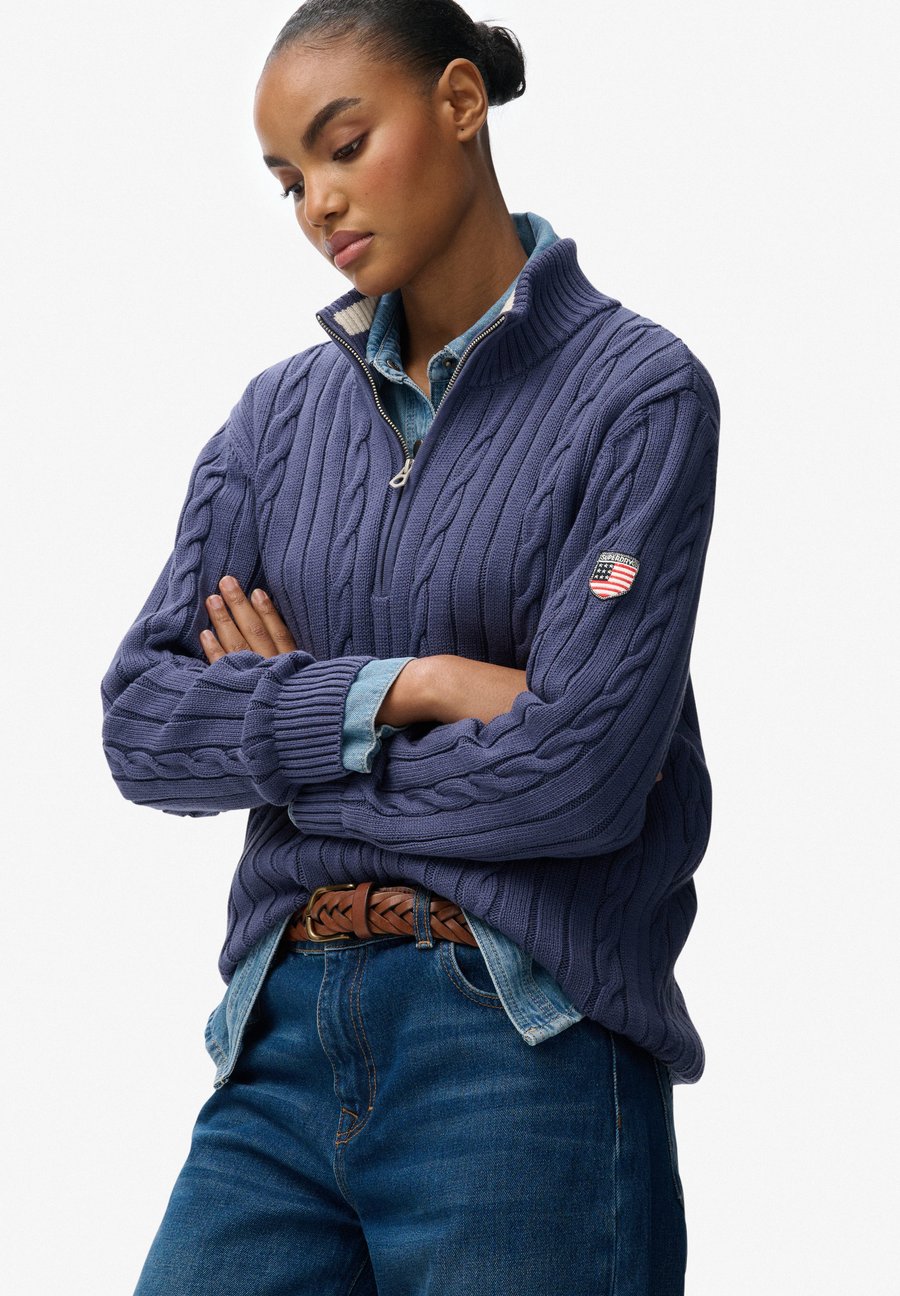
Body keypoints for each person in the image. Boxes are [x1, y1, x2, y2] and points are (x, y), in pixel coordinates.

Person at [100, 1, 720, 1291]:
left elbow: (582, 776)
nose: (318, 204)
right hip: (277, 1039)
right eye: (289, 180)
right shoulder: (274, 422)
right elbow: (143, 727)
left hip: (519, 1037)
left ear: (458, 104)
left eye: (343, 146)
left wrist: (282, 734)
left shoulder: (637, 394)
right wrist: (412, 689)